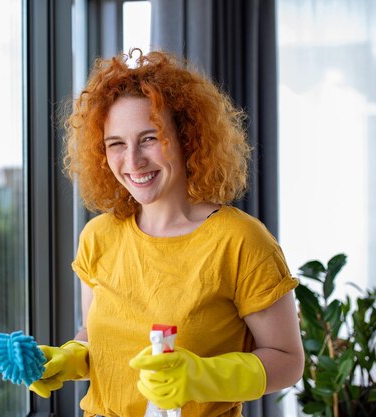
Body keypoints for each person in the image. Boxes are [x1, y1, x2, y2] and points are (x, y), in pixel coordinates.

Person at [28, 49, 304, 417]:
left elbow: (287, 361)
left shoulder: (241, 241)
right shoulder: (98, 237)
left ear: (187, 137)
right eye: (116, 144)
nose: (133, 161)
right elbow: (98, 340)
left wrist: (204, 376)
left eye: (149, 138)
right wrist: (68, 357)